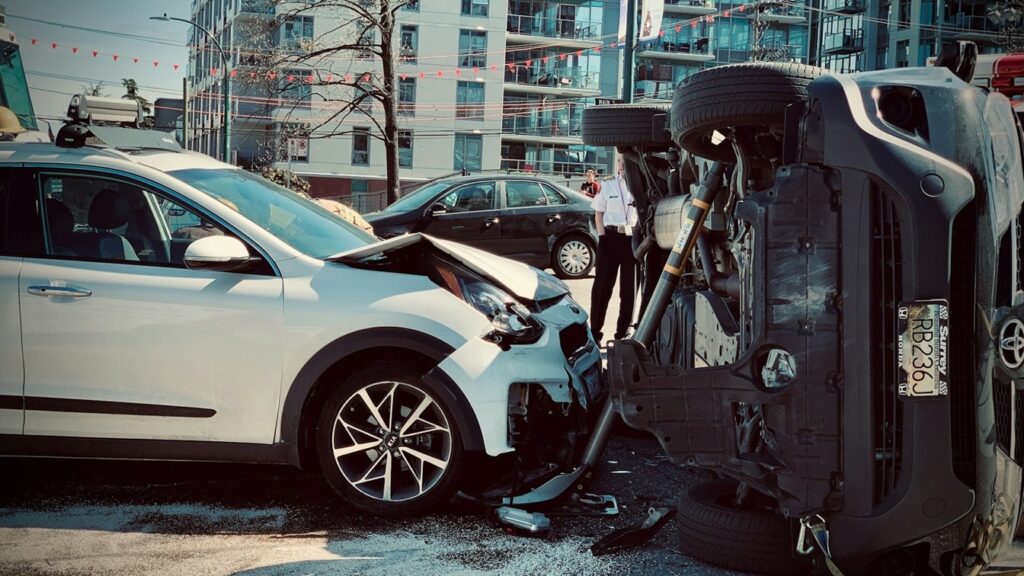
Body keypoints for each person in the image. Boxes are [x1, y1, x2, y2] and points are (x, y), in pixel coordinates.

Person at [590, 156, 638, 343]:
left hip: (631, 239)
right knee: (602, 287)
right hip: (610, 238)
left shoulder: (639, 184)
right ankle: (595, 332)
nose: (622, 165)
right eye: (619, 162)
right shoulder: (608, 184)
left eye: (625, 162)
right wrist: (602, 237)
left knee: (629, 290)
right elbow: (598, 213)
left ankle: (622, 334)